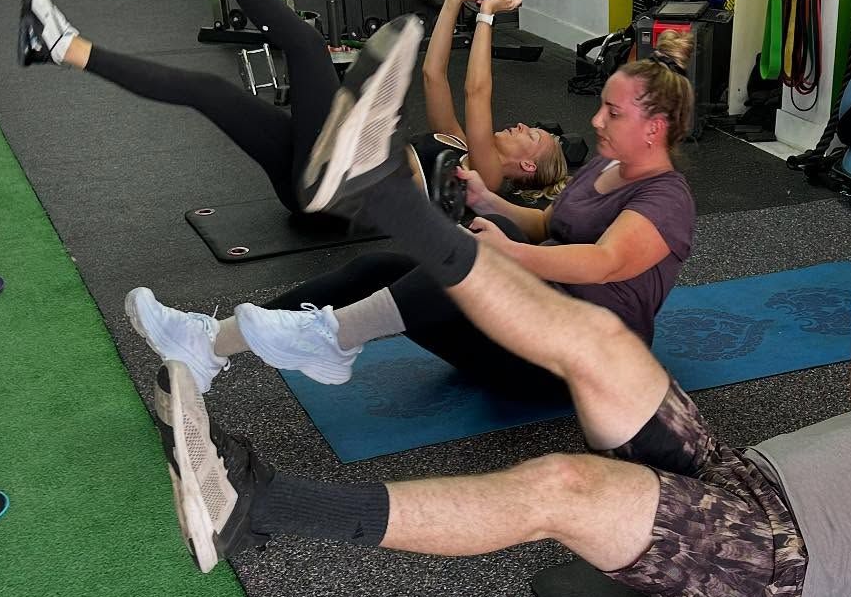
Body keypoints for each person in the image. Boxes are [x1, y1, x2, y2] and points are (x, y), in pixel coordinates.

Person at [149, 35, 851, 597]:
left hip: (772, 563)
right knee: (602, 344)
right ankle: (384, 198)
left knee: (563, 488)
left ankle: (259, 508)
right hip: (737, 472)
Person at [122, 24, 698, 397]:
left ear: (656, 128)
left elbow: (602, 261)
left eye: (613, 114)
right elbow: (551, 225)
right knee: (378, 269)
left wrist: (508, 254)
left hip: (575, 363)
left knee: (475, 260)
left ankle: (330, 335)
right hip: (528, 323)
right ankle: (208, 343)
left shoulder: (666, 201)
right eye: (601, 107)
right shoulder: (603, 166)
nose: (596, 121)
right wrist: (488, 200)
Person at [15, 0, 573, 222]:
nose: (526, 126)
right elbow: (434, 74)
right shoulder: (455, 144)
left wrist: (488, 18)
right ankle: (60, 45)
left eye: (535, 139)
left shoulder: (491, 178)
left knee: (306, 46)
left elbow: (478, 92)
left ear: (528, 170)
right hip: (316, 182)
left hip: (339, 191)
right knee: (215, 93)